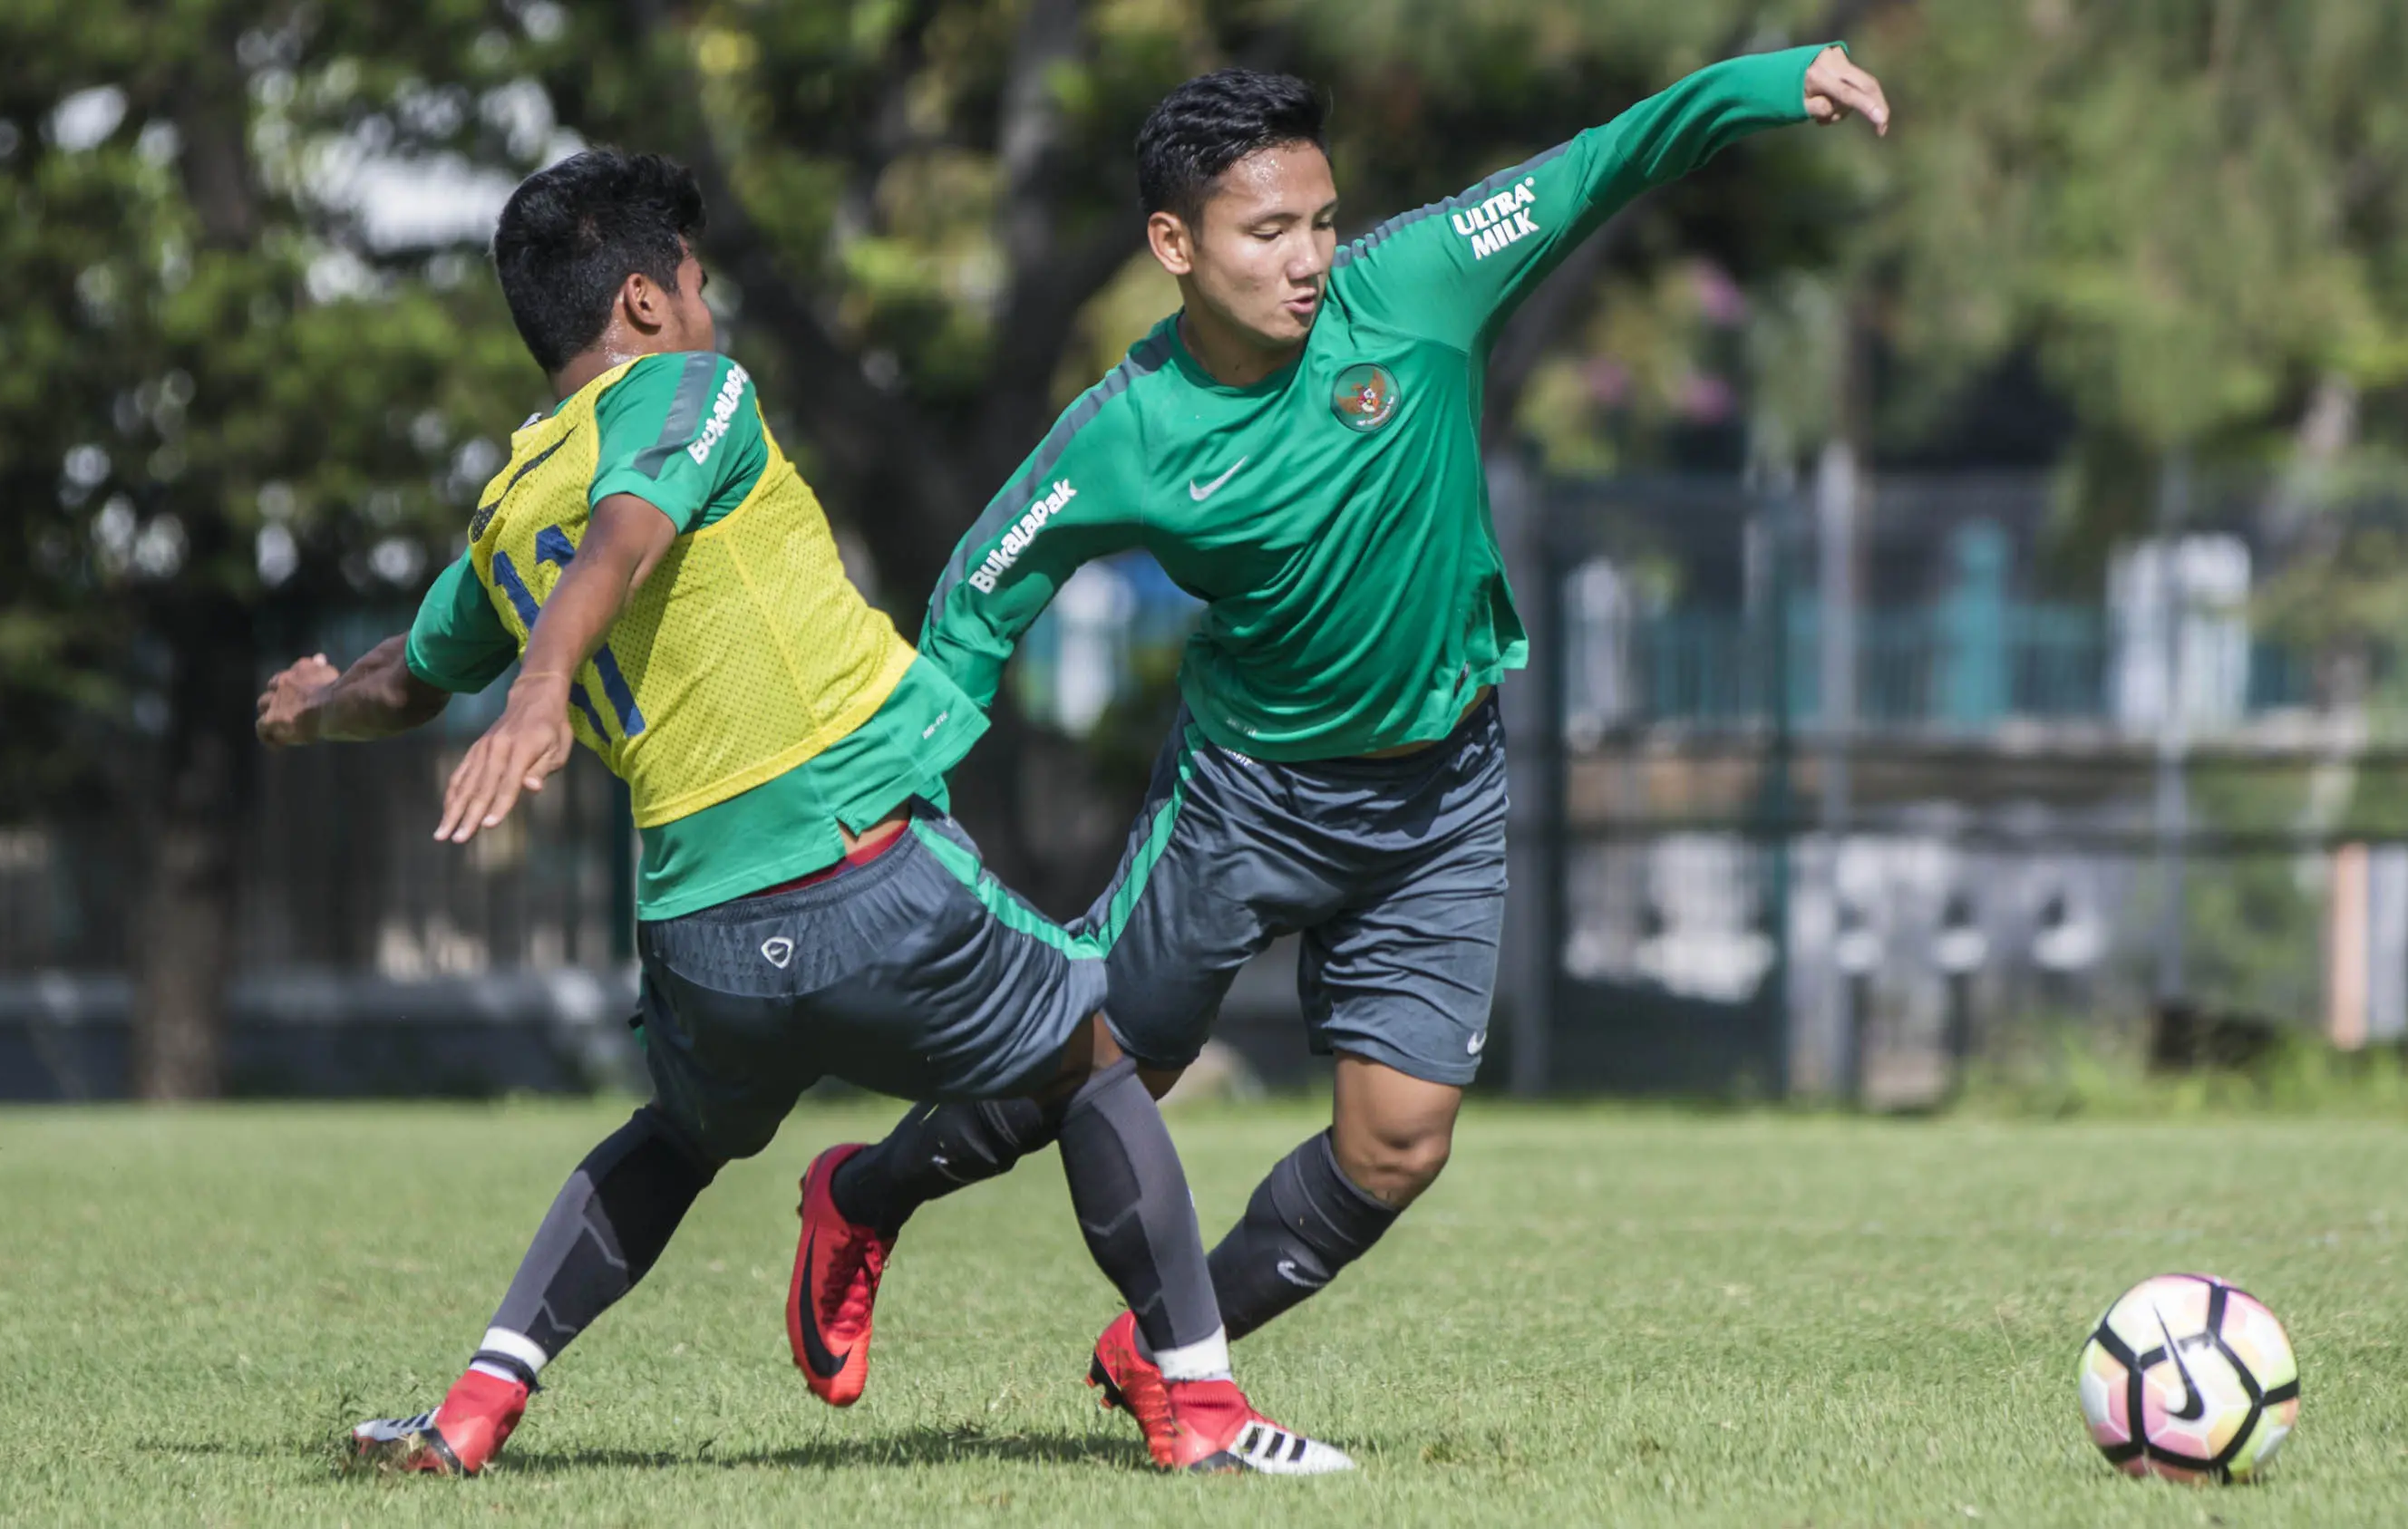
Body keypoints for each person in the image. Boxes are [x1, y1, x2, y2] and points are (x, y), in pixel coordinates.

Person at [792, 44, 1893, 1437]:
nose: (1310, 258)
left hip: (1442, 792)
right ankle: (860, 1196)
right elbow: (980, 593)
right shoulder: (1125, 430)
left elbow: (1606, 158)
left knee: (1398, 1142)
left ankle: (1161, 1352)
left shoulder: (1421, 280)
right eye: (1269, 233)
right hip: (1243, 800)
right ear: (1174, 245)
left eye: (1320, 220)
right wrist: (899, 781)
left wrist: (1773, 78)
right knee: (1092, 1073)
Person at [255, 147, 1349, 1476]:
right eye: (699, 283)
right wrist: (542, 687)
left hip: (699, 948)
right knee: (1095, 1059)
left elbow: (400, 679)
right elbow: (629, 530)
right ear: (647, 305)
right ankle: (1207, 1415)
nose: (709, 313)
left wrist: (312, 708)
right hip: (862, 874)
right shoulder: (690, 391)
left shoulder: (500, 519)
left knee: (676, 1138)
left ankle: (474, 1409)